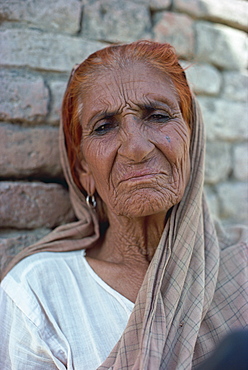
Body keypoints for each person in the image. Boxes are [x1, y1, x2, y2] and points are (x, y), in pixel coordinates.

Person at [0, 40, 247, 370]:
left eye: (158, 116)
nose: (136, 148)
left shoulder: (241, 264)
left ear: (192, 141)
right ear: (83, 169)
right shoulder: (39, 294)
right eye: (104, 127)